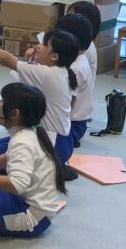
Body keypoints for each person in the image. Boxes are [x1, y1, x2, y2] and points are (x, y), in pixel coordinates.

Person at [0, 29, 79, 166]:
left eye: (44, 44)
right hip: (62, 141)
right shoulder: (62, 72)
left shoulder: (48, 74)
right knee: (0, 143)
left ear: (54, 56)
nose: (37, 46)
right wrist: (31, 58)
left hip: (51, 146)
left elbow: (6, 60)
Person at [0, 82, 66, 237]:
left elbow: (17, 185)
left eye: (2, 100)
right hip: (19, 200)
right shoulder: (27, 132)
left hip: (30, 216)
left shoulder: (23, 141)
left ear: (14, 114)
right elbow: (10, 157)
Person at [54, 12, 96, 149]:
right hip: (74, 123)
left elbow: (67, 104)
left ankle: (68, 139)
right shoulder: (78, 60)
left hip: (72, 124)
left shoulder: (75, 68)